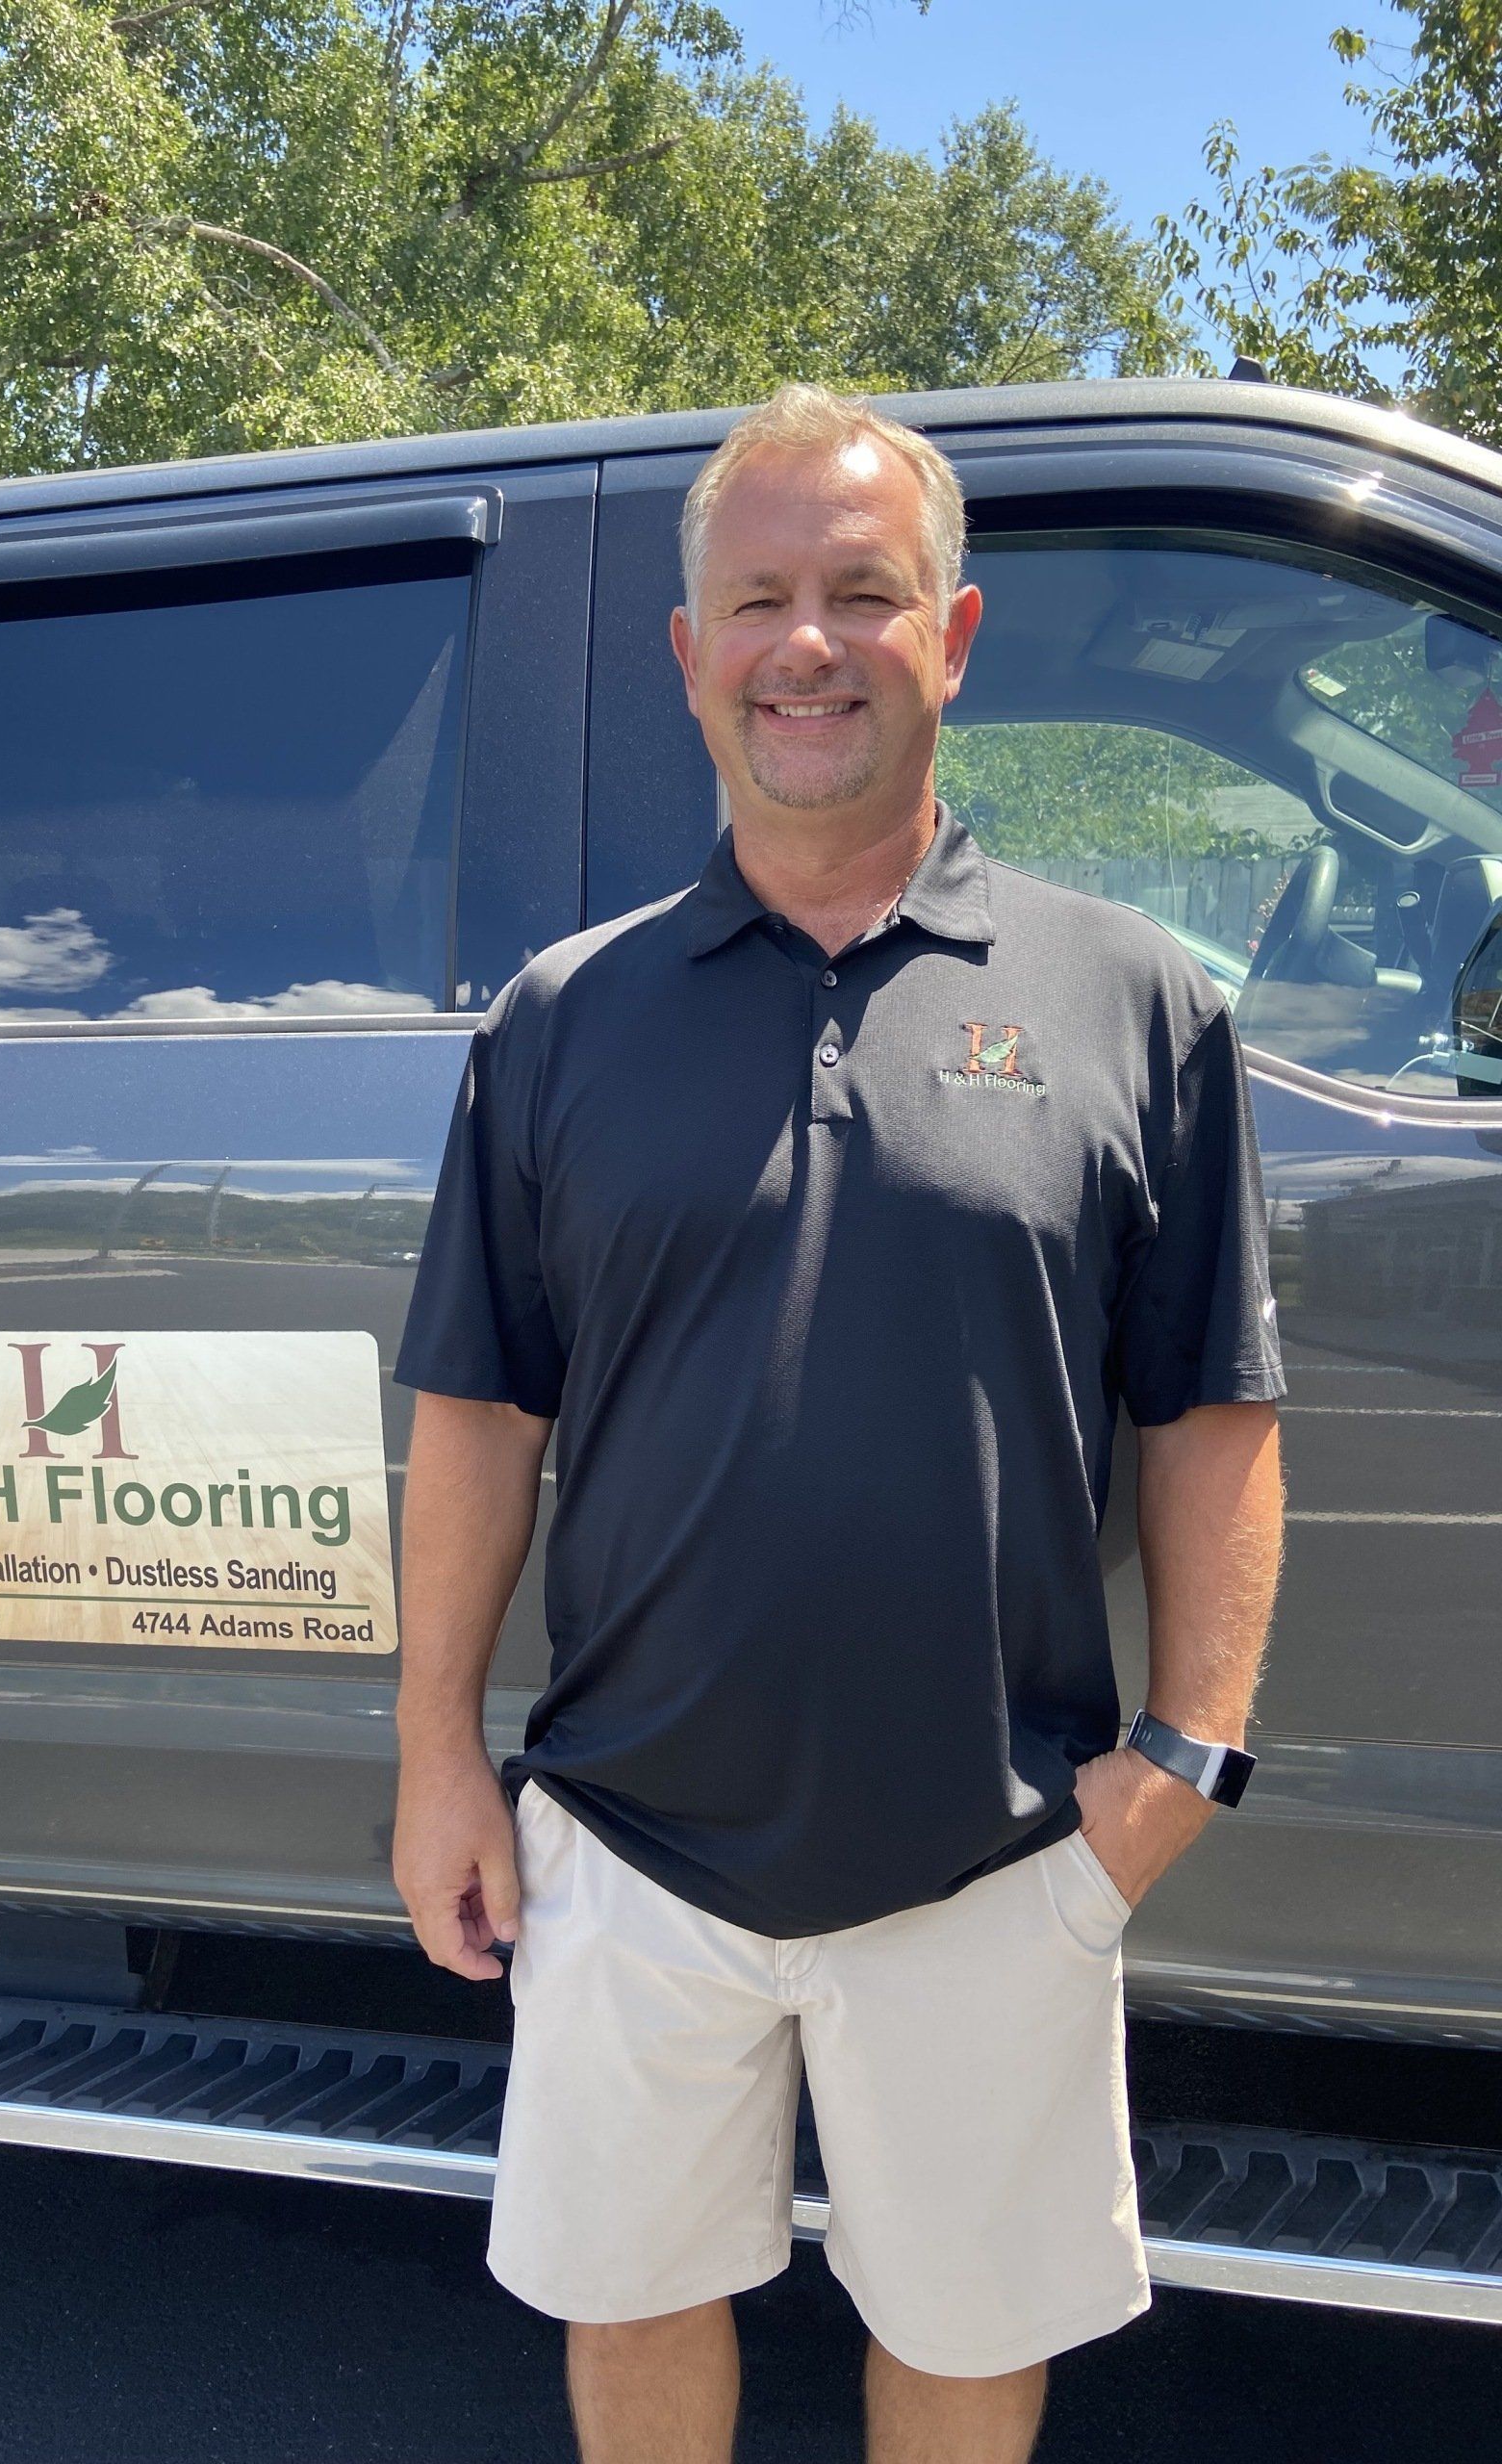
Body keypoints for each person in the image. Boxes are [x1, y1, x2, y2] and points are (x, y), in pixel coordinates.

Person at [389, 380, 1286, 2464]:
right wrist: (439, 1746)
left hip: (996, 1849)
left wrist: (1168, 1776)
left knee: (967, 2330)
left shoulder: (1134, 1004)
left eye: (863, 594)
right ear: (690, 654)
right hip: (621, 1841)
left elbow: (1214, 1416)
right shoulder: (560, 1020)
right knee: (632, 2307)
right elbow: (478, 1406)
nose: (810, 643)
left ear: (951, 638)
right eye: (761, 599)